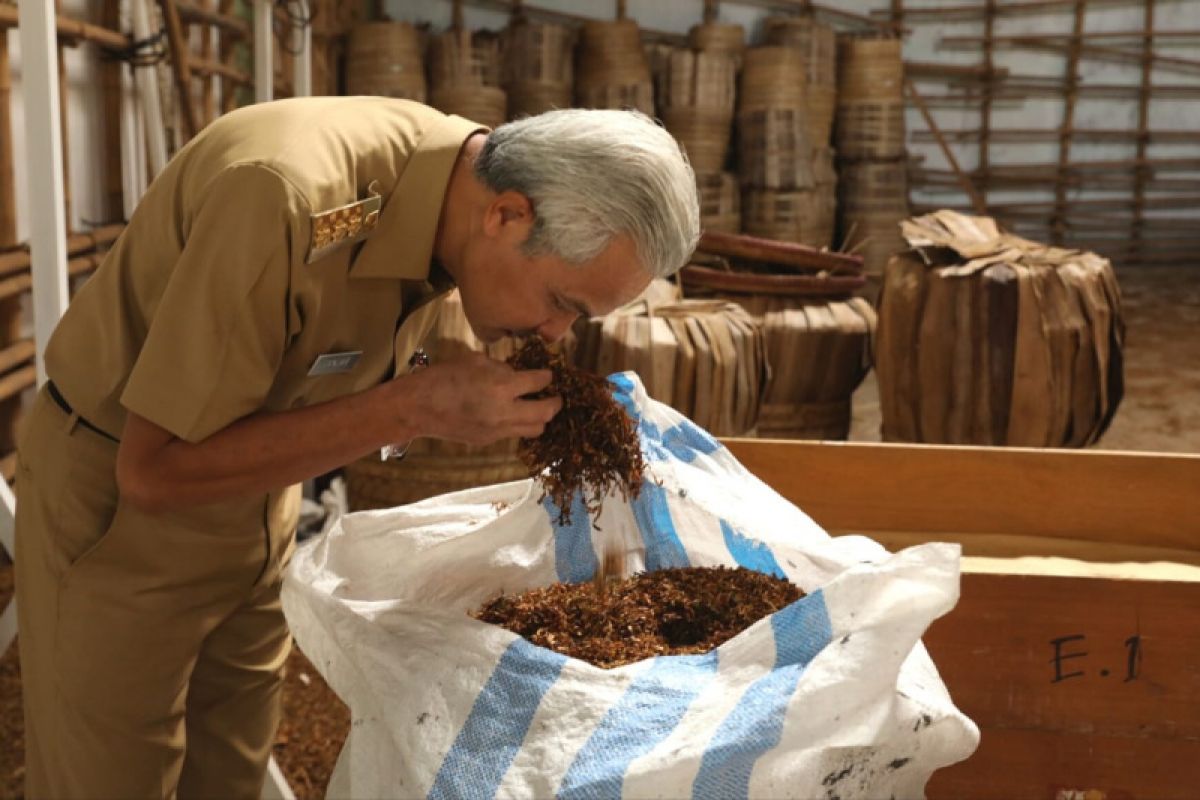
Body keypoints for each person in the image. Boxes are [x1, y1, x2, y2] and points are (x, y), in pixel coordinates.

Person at [14, 96, 699, 797]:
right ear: (508, 215)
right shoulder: (283, 198)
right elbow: (153, 473)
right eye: (563, 302)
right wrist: (407, 408)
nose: (556, 334)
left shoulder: (451, 194)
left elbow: (327, 345)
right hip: (119, 518)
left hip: (259, 507)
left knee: (227, 778)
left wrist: (436, 372)